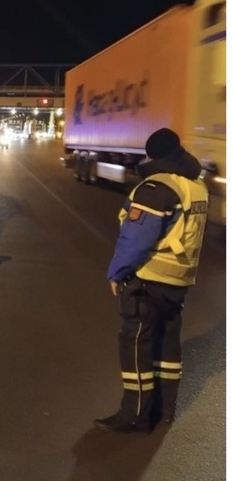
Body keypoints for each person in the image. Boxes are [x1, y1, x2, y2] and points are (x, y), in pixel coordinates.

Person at [94, 128, 209, 433]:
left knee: (136, 344)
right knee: (167, 344)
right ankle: (164, 409)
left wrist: (117, 273)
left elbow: (136, 239)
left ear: (152, 154)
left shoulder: (157, 187)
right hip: (179, 279)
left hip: (149, 279)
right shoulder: (195, 186)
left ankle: (135, 416)